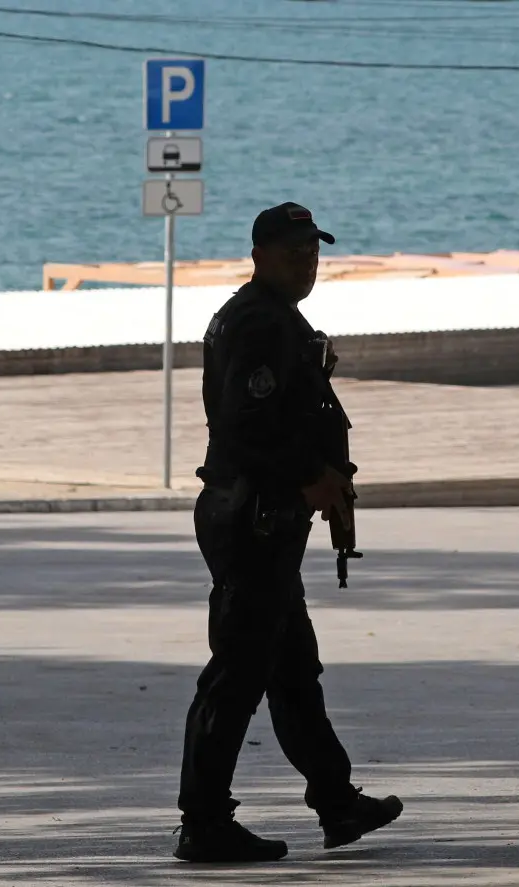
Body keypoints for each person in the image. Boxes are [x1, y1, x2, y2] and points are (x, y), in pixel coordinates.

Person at [173, 202, 403, 864]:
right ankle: (204, 820)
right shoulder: (256, 323)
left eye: (313, 252)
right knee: (238, 672)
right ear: (261, 254)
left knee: (293, 669)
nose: (307, 263)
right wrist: (308, 481)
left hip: (269, 517)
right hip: (253, 516)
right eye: (295, 252)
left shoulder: (274, 316)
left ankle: (336, 800)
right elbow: (247, 430)